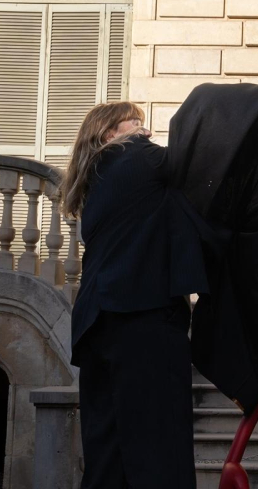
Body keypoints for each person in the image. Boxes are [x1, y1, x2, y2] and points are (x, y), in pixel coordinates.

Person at [59, 102, 210, 489]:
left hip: (97, 322)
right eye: (135, 123)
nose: (146, 131)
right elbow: (199, 156)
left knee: (107, 455)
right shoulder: (135, 157)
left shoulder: (97, 182)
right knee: (160, 450)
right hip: (141, 315)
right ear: (111, 133)